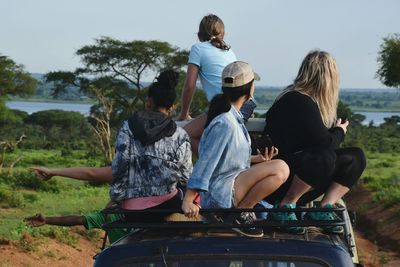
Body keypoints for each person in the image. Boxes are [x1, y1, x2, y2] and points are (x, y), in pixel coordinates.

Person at [181, 61, 289, 237]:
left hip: (227, 188)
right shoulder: (225, 122)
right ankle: (240, 213)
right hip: (220, 193)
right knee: (281, 168)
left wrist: (256, 161)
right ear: (250, 90)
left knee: (276, 168)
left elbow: (226, 158)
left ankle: (239, 214)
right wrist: (188, 199)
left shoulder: (231, 118)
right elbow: (207, 161)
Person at [264, 50, 366, 234]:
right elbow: (326, 144)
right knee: (325, 156)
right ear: (327, 77)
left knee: (356, 156)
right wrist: (339, 131)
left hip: (296, 174)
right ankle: (285, 207)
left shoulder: (301, 99)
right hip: (281, 179)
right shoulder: (298, 101)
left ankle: (323, 208)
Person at [110, 70, 193, 221]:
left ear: (148, 101)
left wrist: (116, 198)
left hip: (131, 210)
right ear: (172, 107)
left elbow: (119, 166)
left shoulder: (127, 127)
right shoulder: (180, 134)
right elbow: (186, 176)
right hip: (167, 206)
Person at [177, 14, 257, 153]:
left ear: (199, 34)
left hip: (224, 107)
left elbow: (190, 86)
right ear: (223, 33)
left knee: (185, 135)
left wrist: (184, 114)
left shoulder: (198, 49)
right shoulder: (229, 51)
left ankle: (212, 162)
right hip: (245, 104)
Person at [27, 166, 127, 245]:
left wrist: (47, 220)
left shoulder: (110, 215)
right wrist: (47, 220)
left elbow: (79, 220)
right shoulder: (139, 215)